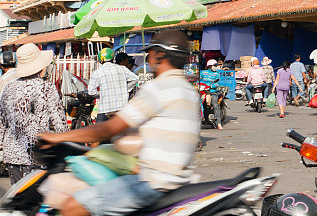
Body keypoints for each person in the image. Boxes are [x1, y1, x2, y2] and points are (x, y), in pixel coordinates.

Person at [39, 28, 200, 216]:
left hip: (154, 180)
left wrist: (58, 137)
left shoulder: (160, 87)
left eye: (149, 54)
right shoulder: (188, 90)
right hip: (178, 178)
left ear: (160, 55)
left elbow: (108, 128)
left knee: (73, 206)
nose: (147, 60)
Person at [0, 43, 67, 184]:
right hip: (39, 153)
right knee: (40, 199)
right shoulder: (46, 87)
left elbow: (2, 122)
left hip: (13, 155)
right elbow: (59, 122)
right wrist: (66, 143)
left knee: (20, 201)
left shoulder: (9, 88)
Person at [87, 47, 139, 123]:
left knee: (99, 133)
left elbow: (91, 91)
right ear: (112, 58)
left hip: (105, 110)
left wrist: (102, 94)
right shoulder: (122, 69)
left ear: (100, 60)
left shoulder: (97, 73)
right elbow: (135, 79)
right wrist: (125, 89)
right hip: (122, 110)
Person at [199, 59, 224, 129]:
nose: (216, 67)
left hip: (213, 92)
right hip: (202, 91)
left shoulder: (217, 74)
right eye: (215, 65)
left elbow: (218, 83)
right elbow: (199, 80)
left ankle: (218, 123)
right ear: (210, 66)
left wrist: (211, 86)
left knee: (215, 106)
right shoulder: (203, 73)